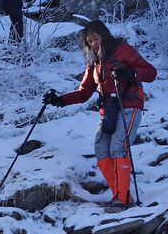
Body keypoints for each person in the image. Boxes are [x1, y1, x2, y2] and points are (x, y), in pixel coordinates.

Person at [43, 20, 157, 212]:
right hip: (109, 110)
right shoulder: (94, 62)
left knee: (119, 147)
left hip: (129, 105)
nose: (93, 43)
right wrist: (59, 100)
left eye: (95, 38)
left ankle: (122, 199)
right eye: (89, 41)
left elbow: (151, 72)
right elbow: (84, 93)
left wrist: (130, 73)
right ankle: (121, 195)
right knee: (101, 149)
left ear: (104, 35)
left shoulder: (122, 50)